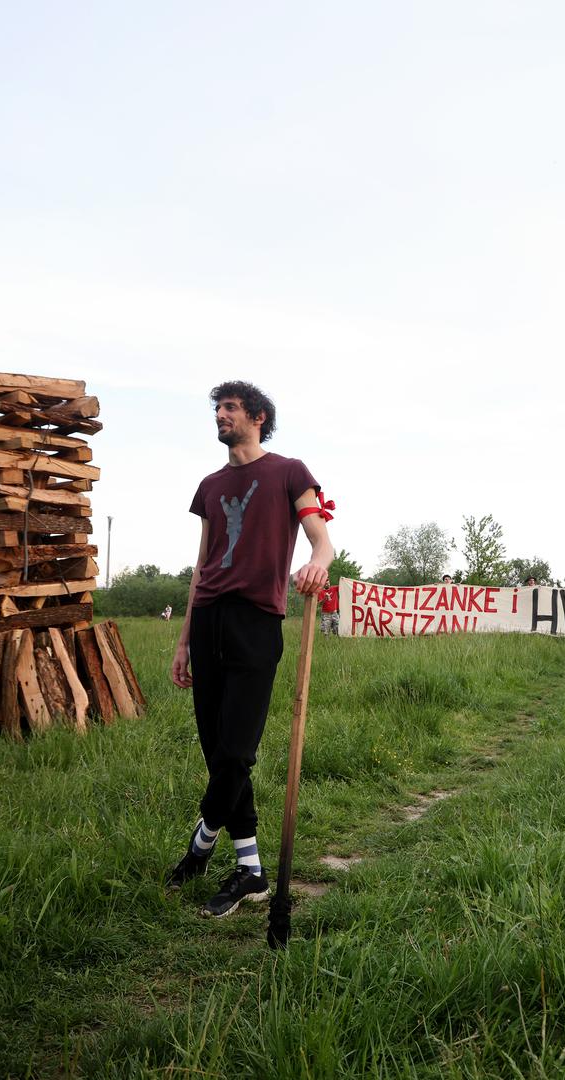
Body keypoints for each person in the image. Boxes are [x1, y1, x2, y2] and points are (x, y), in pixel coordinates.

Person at [165, 380, 333, 919]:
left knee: (237, 752)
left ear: (258, 417)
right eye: (217, 408)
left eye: (230, 408)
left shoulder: (289, 471)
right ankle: (251, 870)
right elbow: (200, 565)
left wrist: (317, 563)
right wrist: (184, 639)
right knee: (218, 754)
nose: (220, 415)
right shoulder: (210, 485)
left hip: (256, 622)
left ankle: (201, 840)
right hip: (209, 618)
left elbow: (322, 538)